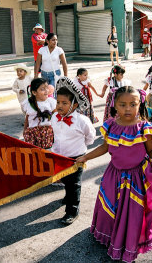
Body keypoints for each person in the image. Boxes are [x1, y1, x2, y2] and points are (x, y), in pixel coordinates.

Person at [77, 86, 152, 262]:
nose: (127, 108)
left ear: (140, 104)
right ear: (115, 105)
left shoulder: (145, 128)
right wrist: (86, 156)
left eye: (132, 104)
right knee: (110, 208)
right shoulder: (111, 125)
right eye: (122, 104)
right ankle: (108, 235)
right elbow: (104, 147)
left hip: (136, 180)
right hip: (113, 176)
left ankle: (126, 242)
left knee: (131, 213)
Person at [51, 77, 96, 225]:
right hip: (59, 156)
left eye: (64, 103)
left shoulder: (81, 120)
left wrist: (82, 150)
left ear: (74, 105)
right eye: (58, 102)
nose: (60, 106)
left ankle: (72, 210)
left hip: (76, 158)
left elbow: (90, 136)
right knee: (64, 179)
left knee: (74, 184)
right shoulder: (54, 118)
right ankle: (68, 196)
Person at [22, 78, 56, 149]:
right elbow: (27, 119)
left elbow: (56, 116)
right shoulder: (29, 103)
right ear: (34, 92)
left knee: (47, 152)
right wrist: (25, 131)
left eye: (47, 88)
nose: (46, 90)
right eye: (42, 89)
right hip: (32, 134)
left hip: (47, 134)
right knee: (34, 152)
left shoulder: (50, 102)